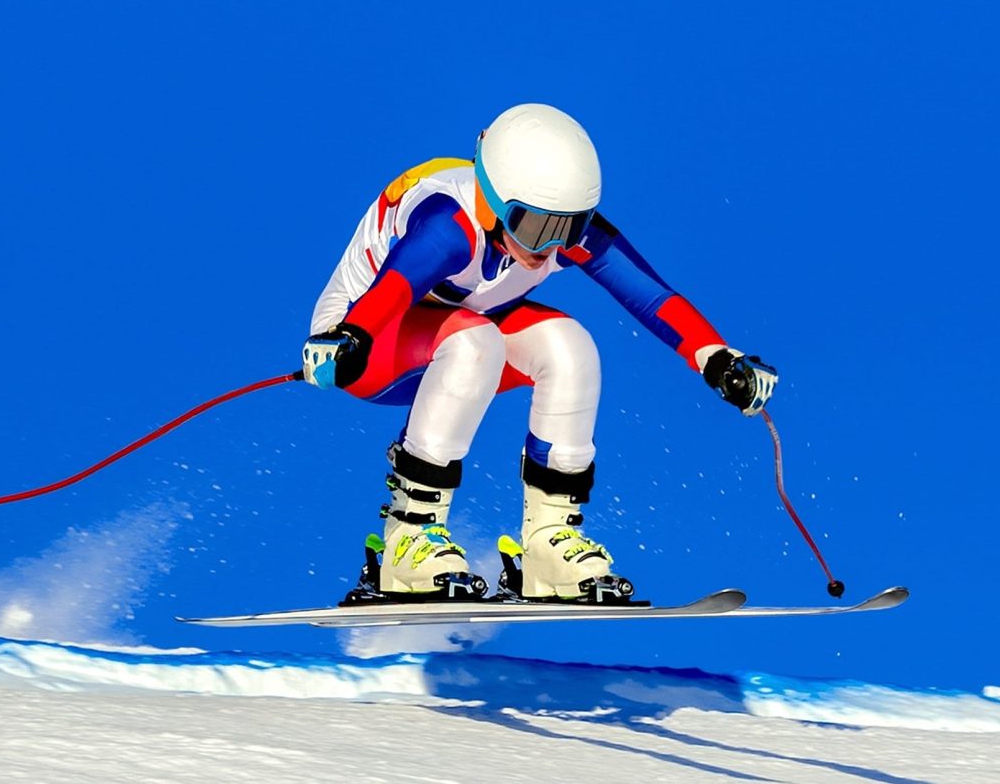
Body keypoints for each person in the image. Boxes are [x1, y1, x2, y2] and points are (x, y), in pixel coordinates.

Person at [302, 103, 777, 602]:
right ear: (494, 198)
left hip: (460, 329)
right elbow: (395, 290)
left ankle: (548, 547)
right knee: (474, 341)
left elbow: (651, 296)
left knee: (569, 347)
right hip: (366, 342)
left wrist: (718, 358)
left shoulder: (542, 230)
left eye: (568, 228)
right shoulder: (450, 225)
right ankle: (407, 541)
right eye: (532, 226)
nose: (547, 247)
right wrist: (349, 337)